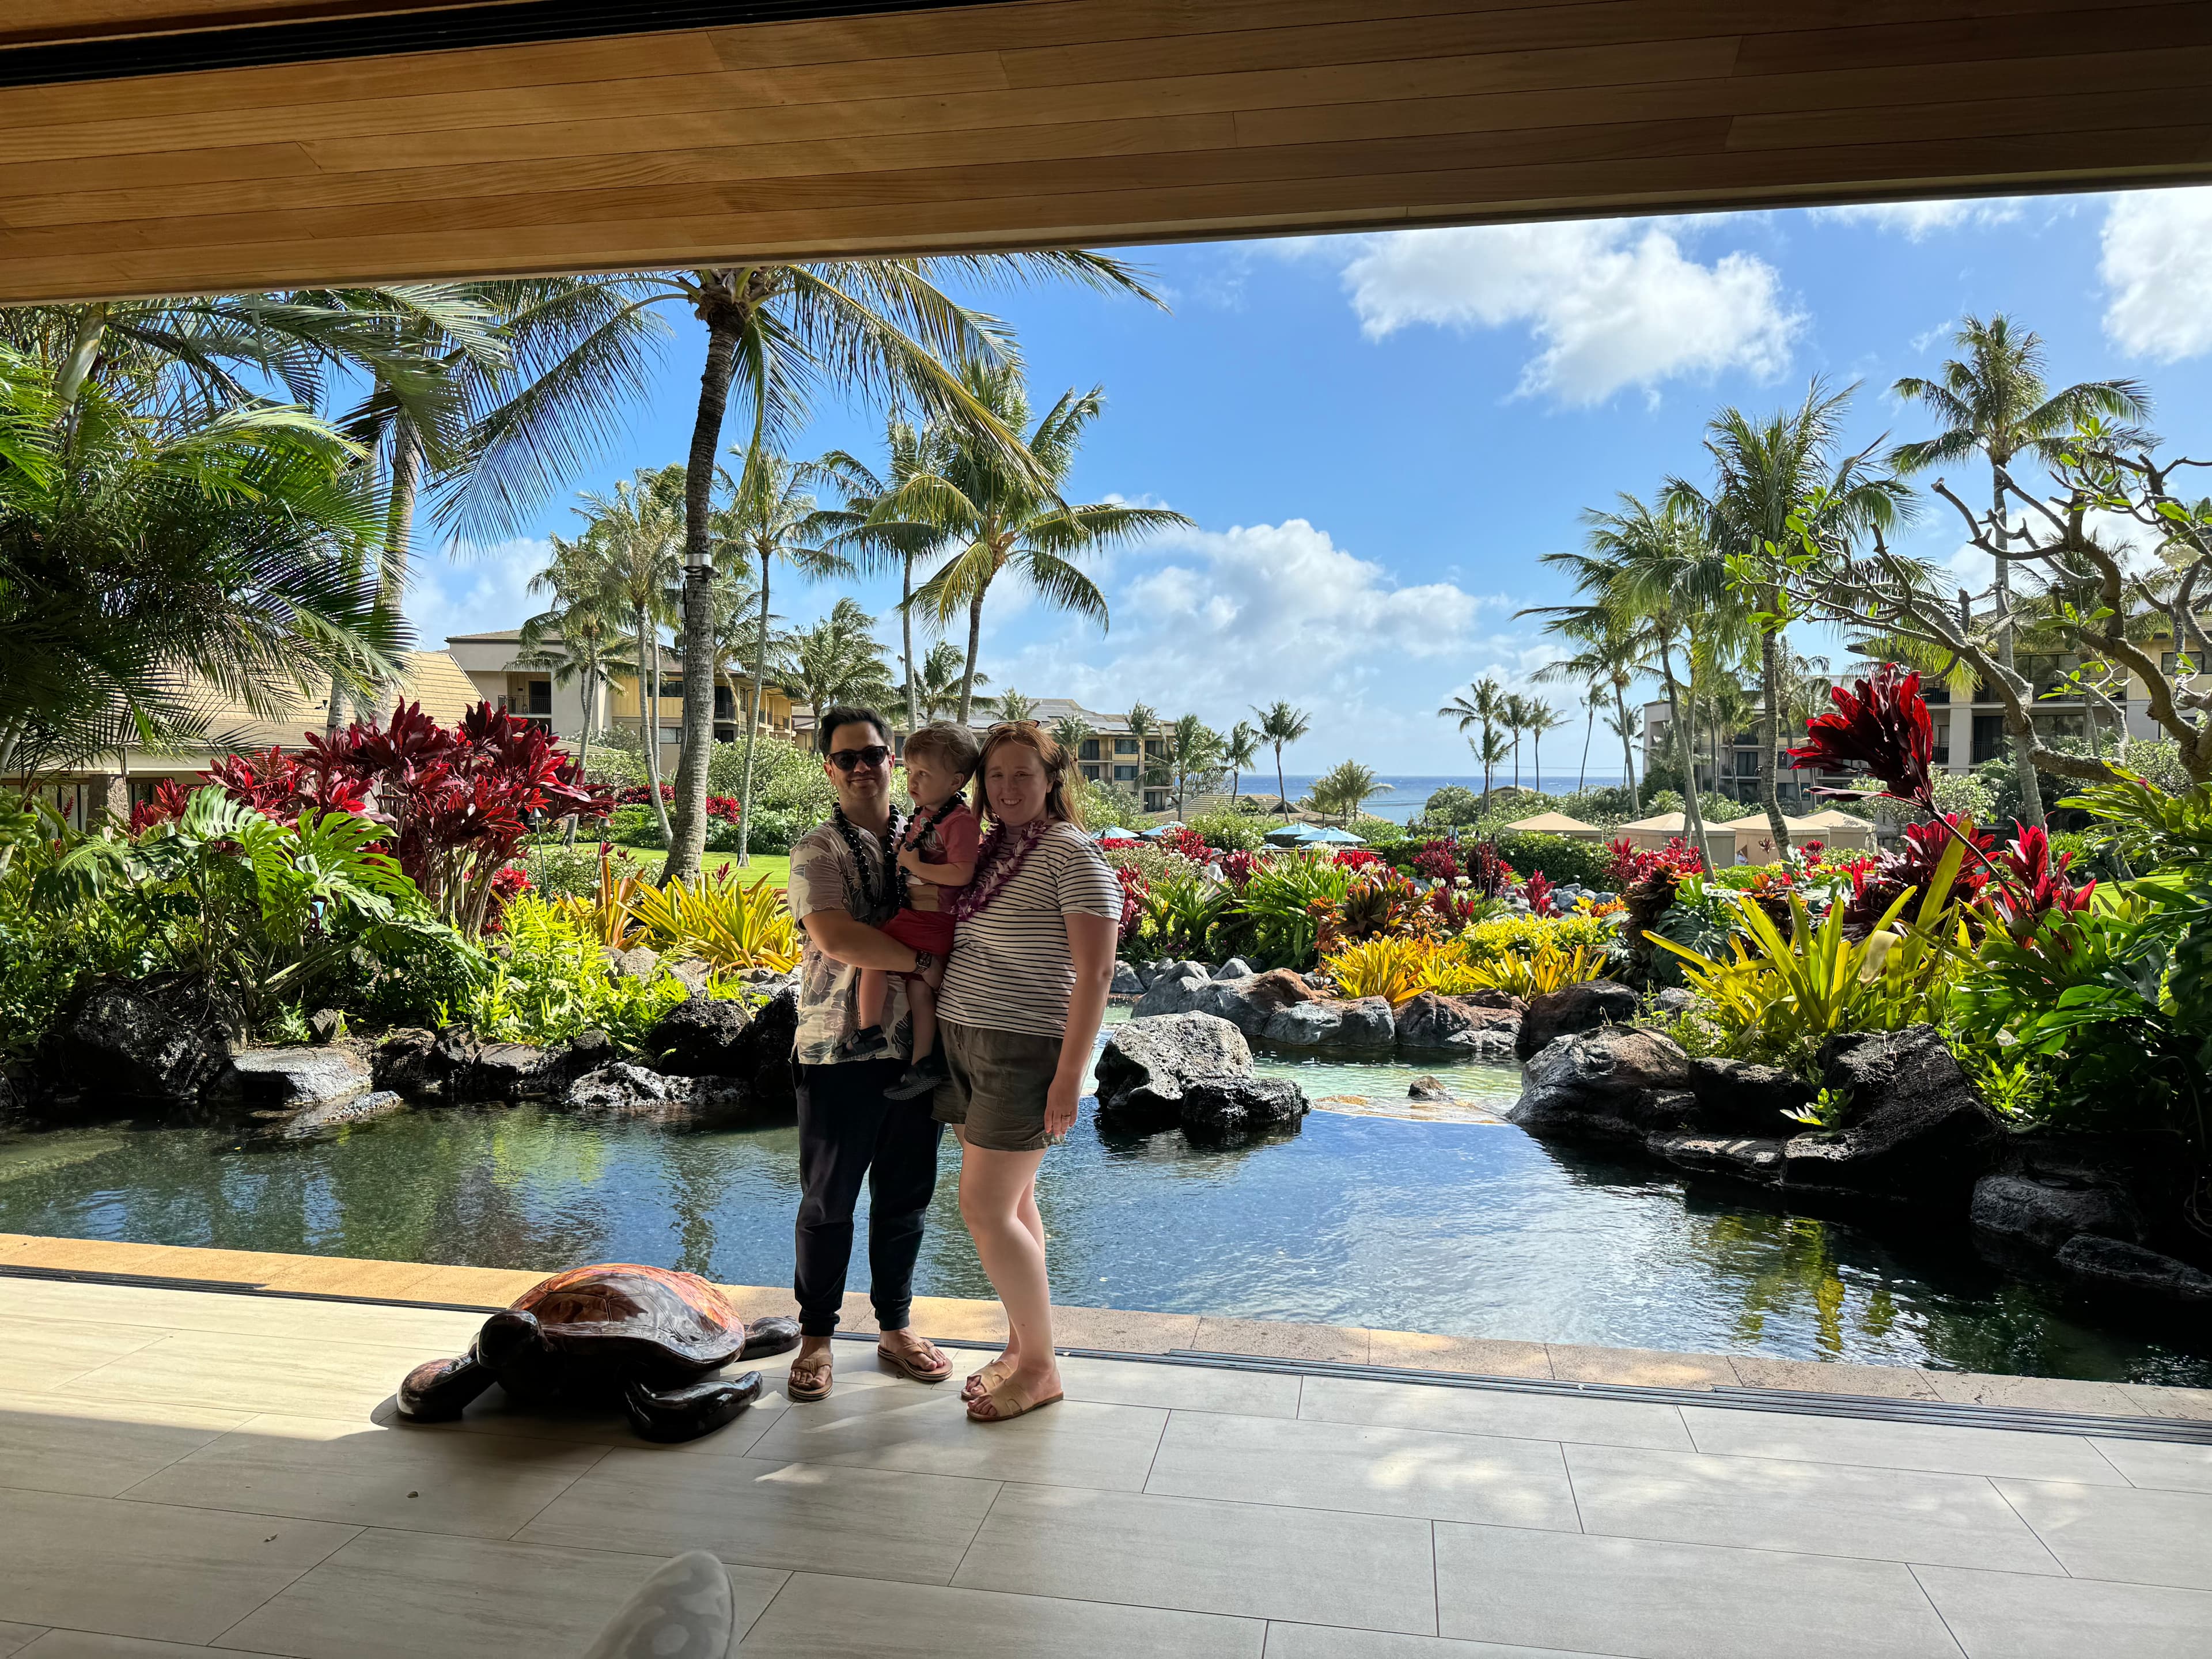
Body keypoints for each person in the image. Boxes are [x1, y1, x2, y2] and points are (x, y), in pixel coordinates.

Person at [931, 721, 1120, 1423]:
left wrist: (1071, 1077)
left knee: (981, 1208)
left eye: (1023, 775)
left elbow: (1098, 972)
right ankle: (1020, 1347)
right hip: (965, 1038)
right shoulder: (993, 851)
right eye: (997, 776)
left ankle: (1041, 1368)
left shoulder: (1072, 854)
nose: (1008, 789)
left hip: (1024, 1048)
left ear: (1051, 781)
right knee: (1011, 1205)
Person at [781, 706, 955, 1402]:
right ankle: (817, 1337)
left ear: (895, 761)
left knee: (906, 1199)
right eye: (846, 757)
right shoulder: (816, 850)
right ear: (828, 768)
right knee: (828, 1203)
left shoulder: (927, 836)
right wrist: (920, 958)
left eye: (873, 754)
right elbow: (837, 938)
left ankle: (894, 1329)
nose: (862, 767)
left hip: (917, 1052)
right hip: (834, 1056)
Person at [834, 722, 980, 1102]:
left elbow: (962, 872)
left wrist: (914, 865)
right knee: (919, 990)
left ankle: (868, 1031)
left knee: (874, 955)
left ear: (956, 781)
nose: (913, 782)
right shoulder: (926, 813)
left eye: (924, 774)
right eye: (910, 772)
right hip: (924, 918)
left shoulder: (959, 820)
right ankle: (922, 1063)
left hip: (934, 920)